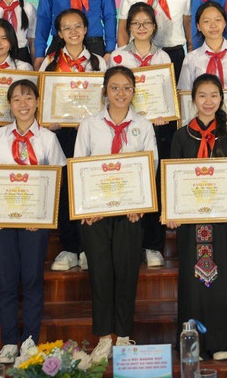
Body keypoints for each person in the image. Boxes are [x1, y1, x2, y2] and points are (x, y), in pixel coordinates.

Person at [0, 79, 67, 363]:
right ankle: (9, 341)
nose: (23, 104)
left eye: (29, 98)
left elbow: (57, 181)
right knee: (6, 281)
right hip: (2, 222)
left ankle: (30, 339)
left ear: (38, 102)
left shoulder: (48, 139)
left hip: (35, 222)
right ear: (9, 104)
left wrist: (43, 216)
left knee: (32, 279)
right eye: (17, 99)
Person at [76, 66, 157, 359]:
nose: (120, 93)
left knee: (126, 273)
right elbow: (79, 166)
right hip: (95, 214)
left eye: (126, 88)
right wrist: (86, 207)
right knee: (100, 274)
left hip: (131, 213)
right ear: (105, 92)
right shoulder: (89, 125)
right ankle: (103, 338)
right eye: (114, 87)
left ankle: (122, 336)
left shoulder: (143, 125)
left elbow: (151, 165)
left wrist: (140, 204)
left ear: (134, 91)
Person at [165, 74, 227, 360]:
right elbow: (173, 178)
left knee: (223, 277)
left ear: (221, 98)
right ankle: (193, 344)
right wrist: (171, 211)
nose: (208, 101)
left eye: (214, 95)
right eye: (202, 95)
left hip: (223, 220)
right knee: (193, 280)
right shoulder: (180, 136)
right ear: (193, 99)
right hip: (190, 221)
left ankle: (223, 341)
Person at [108, 3, 172, 268]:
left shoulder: (163, 57)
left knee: (154, 183)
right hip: (125, 126)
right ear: (129, 27)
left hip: (157, 127)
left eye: (146, 23)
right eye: (136, 23)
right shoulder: (117, 56)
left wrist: (165, 114)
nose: (141, 28)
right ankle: (128, 242)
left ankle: (153, 245)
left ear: (154, 27)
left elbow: (168, 96)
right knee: (129, 181)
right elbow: (112, 92)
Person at [47, 8, 105, 273]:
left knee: (88, 186)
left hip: (91, 133)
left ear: (86, 29)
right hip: (62, 134)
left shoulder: (98, 62)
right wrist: (49, 118)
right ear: (59, 33)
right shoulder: (50, 62)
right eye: (67, 28)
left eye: (78, 26)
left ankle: (87, 248)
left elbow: (105, 99)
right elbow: (45, 100)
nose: (73, 32)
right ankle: (70, 248)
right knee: (65, 189)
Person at [178, 2, 227, 90]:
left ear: (224, 23)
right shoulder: (190, 59)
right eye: (206, 21)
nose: (213, 25)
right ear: (198, 26)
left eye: (218, 20)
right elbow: (185, 93)